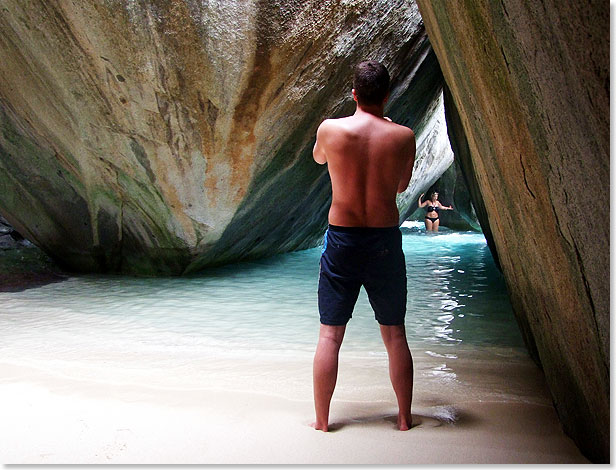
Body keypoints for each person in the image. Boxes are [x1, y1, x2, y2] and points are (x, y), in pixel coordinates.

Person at [312, 60, 416, 432]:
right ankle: (404, 419)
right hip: (384, 240)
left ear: (353, 94)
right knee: (395, 334)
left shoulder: (331, 130)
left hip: (343, 238)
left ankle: (323, 422)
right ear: (388, 96)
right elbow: (402, 186)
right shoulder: (403, 136)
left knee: (330, 334)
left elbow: (318, 157)